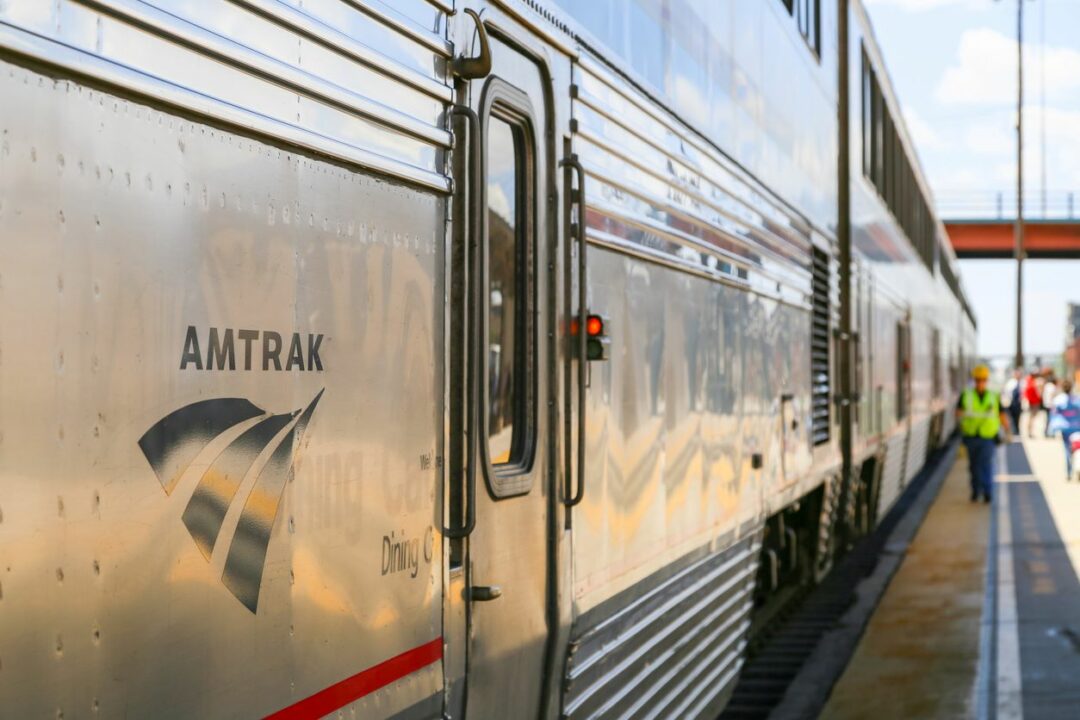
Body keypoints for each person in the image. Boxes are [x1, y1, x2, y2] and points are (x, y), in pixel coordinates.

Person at [957, 364, 1010, 503]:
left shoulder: (994, 396)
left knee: (986, 464)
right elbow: (958, 413)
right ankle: (975, 491)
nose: (980, 382)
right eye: (978, 380)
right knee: (973, 466)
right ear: (974, 380)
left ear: (986, 380)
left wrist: (1007, 430)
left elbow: (1001, 414)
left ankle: (987, 492)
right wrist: (963, 425)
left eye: (983, 380)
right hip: (971, 436)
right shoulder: (966, 395)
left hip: (988, 437)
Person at [1048, 380, 1080, 481]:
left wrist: (1051, 429)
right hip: (1076, 427)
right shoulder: (1076, 399)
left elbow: (1053, 415)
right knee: (1077, 449)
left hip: (1064, 428)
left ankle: (1069, 472)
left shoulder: (1058, 400)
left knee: (1067, 449)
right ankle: (1077, 468)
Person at [1002, 368, 1023, 435]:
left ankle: (1016, 430)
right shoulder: (1012, 382)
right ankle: (1013, 431)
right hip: (1012, 404)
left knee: (1016, 418)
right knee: (1013, 418)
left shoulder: (1018, 382)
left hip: (1016, 404)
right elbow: (1008, 394)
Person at [1023, 371, 1043, 438]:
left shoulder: (1030, 381)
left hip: (1034, 402)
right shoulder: (1030, 382)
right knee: (1031, 418)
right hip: (1033, 403)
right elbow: (1029, 393)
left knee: (1031, 418)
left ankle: (1030, 432)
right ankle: (1029, 432)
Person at [1042, 373, 1059, 438]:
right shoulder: (1052, 386)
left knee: (1047, 419)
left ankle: (1046, 432)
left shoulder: (1046, 385)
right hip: (1051, 405)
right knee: (1051, 420)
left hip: (1046, 404)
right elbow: (1052, 396)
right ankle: (1050, 433)